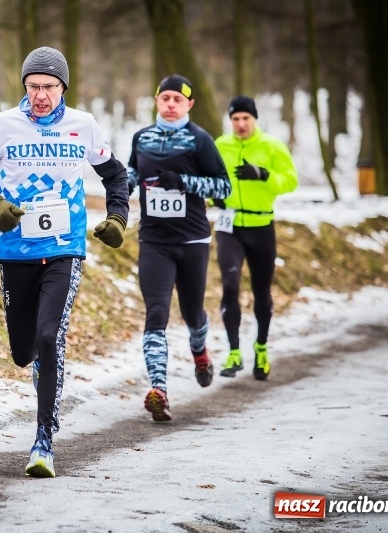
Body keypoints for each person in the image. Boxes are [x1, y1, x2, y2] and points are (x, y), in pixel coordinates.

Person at [0, 46, 129, 478]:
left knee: (50, 337)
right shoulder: (2, 126)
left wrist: (117, 217)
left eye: (49, 87)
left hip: (65, 248)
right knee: (23, 350)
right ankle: (38, 371)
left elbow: (116, 175)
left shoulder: (83, 126)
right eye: (33, 87)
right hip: (16, 251)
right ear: (24, 88)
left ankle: (43, 441)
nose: (41, 95)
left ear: (63, 88)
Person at [126, 74, 231, 422]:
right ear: (156, 100)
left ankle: (200, 349)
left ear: (189, 104)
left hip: (193, 241)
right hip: (154, 241)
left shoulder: (200, 140)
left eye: (177, 99)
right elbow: (130, 173)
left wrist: (183, 182)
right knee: (156, 312)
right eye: (165, 98)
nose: (170, 104)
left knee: (192, 313)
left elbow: (223, 187)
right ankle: (159, 390)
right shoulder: (141, 138)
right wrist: (119, 188)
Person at [213, 95, 298, 380]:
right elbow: (210, 177)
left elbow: (290, 181)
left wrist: (263, 174)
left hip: (262, 226)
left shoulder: (272, 146)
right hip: (230, 226)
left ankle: (261, 347)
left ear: (255, 119)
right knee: (230, 285)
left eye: (245, 118)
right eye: (235, 119)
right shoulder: (220, 145)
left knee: (262, 291)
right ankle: (234, 352)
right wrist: (215, 197)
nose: (240, 124)